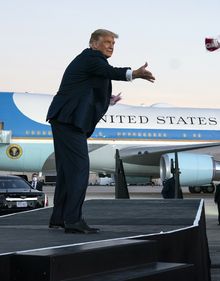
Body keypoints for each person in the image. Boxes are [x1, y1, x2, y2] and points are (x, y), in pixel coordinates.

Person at [46, 29, 155, 234]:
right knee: (79, 170)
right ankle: (73, 220)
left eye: (113, 43)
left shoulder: (90, 62)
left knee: (67, 172)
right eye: (106, 41)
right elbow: (111, 72)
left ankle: (60, 217)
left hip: (63, 119)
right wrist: (135, 73)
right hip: (69, 122)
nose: (111, 45)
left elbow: (87, 89)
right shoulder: (91, 58)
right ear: (93, 43)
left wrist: (109, 100)